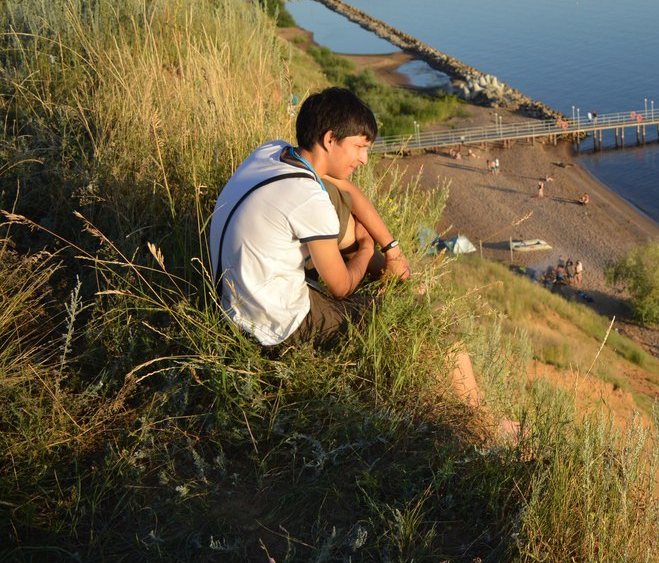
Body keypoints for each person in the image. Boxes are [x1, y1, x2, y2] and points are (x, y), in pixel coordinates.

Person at [209, 87, 513, 438]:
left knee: (346, 222)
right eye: (359, 147)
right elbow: (340, 287)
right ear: (330, 139)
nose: (365, 159)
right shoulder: (307, 197)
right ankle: (483, 428)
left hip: (233, 297)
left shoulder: (273, 152)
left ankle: (401, 280)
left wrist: (390, 250)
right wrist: (369, 248)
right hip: (275, 326)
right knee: (430, 319)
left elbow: (348, 194)